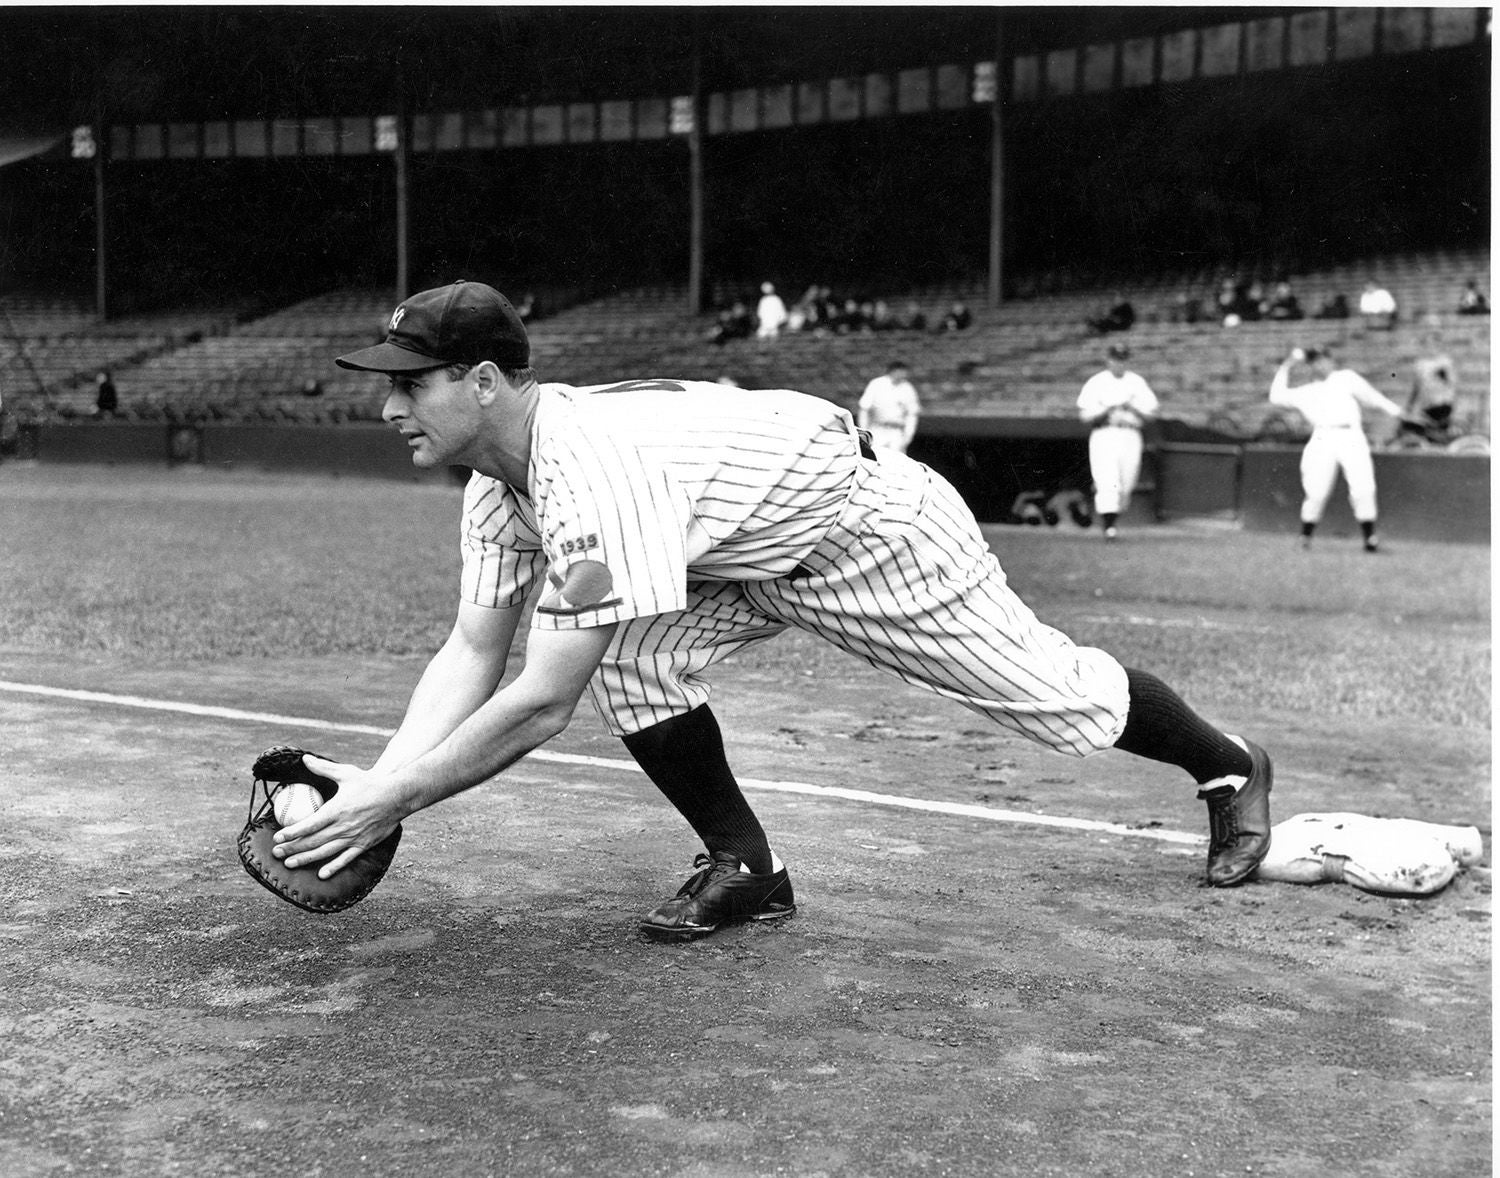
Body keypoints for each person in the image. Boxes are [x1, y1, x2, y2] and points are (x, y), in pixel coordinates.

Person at [276, 280, 1275, 946]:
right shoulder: (498, 487)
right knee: (627, 657)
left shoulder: (589, 472)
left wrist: (392, 802)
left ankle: (1228, 763)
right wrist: (380, 781)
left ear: (484, 380)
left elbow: (540, 702)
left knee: (1053, 699)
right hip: (731, 554)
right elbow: (472, 647)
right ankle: (748, 865)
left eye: (410, 385)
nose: (389, 408)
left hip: (862, 534)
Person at [1268, 346, 1404, 552]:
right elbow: (1276, 396)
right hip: (1323, 437)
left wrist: (1397, 412)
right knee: (1316, 490)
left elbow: (1373, 397)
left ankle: (1370, 538)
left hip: (1351, 435)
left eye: (1324, 359)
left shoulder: (1346, 378)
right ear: (1310, 366)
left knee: (1363, 486)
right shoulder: (1307, 391)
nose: (1321, 364)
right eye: (1315, 361)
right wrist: (1287, 365)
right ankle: (1305, 536)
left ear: (1331, 361)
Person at [1076, 343, 1159, 540]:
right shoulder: (1097, 382)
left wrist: (1132, 407)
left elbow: (1152, 414)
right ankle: (1109, 526)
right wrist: (1108, 409)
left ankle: (1112, 520)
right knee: (1107, 480)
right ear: (1108, 360)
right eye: (1115, 359)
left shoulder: (1136, 382)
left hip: (1130, 433)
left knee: (1126, 483)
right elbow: (1084, 415)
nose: (1119, 363)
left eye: (1122, 359)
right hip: (1105, 433)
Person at [1401, 320, 1459, 444]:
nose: (1430, 347)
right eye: (1427, 343)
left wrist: (1452, 407)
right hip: (1426, 407)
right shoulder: (1419, 364)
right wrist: (1409, 407)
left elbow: (1451, 385)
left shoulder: (1445, 362)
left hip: (1442, 407)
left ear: (1438, 345)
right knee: (1424, 435)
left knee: (1440, 437)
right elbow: (1416, 388)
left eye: (1434, 343)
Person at [856, 360, 921, 455]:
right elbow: (864, 408)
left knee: (897, 459)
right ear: (893, 371)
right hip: (877, 429)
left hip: (896, 431)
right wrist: (864, 431)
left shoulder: (907, 388)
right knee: (875, 456)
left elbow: (912, 414)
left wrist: (908, 435)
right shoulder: (877, 384)